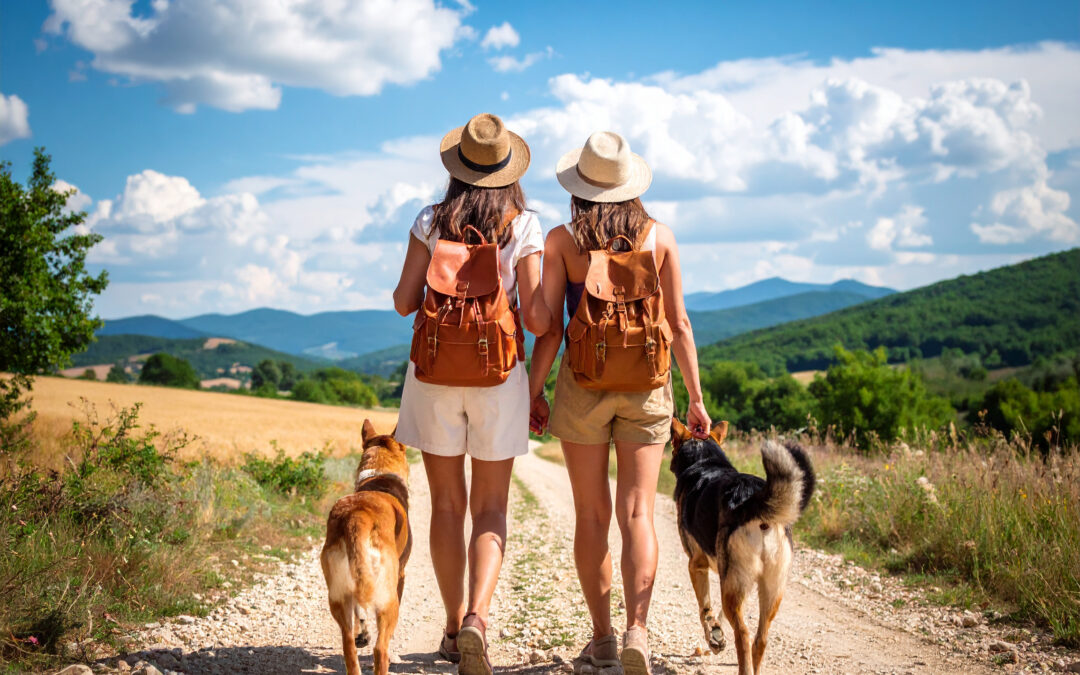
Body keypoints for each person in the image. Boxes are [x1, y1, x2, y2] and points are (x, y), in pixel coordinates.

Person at [528, 131, 711, 675]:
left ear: (579, 188)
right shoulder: (660, 238)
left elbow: (551, 328)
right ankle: (639, 631)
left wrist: (534, 391)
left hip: (583, 386)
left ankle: (603, 638)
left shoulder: (562, 241)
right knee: (638, 513)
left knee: (592, 515)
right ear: (631, 185)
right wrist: (696, 399)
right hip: (648, 387)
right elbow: (679, 323)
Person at [393, 113, 549, 675]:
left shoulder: (429, 220)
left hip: (433, 375)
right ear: (509, 170)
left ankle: (451, 625)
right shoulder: (523, 225)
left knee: (446, 505)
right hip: (498, 377)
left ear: (457, 167)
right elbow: (536, 318)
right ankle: (477, 619)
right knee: (490, 508)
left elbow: (404, 302)